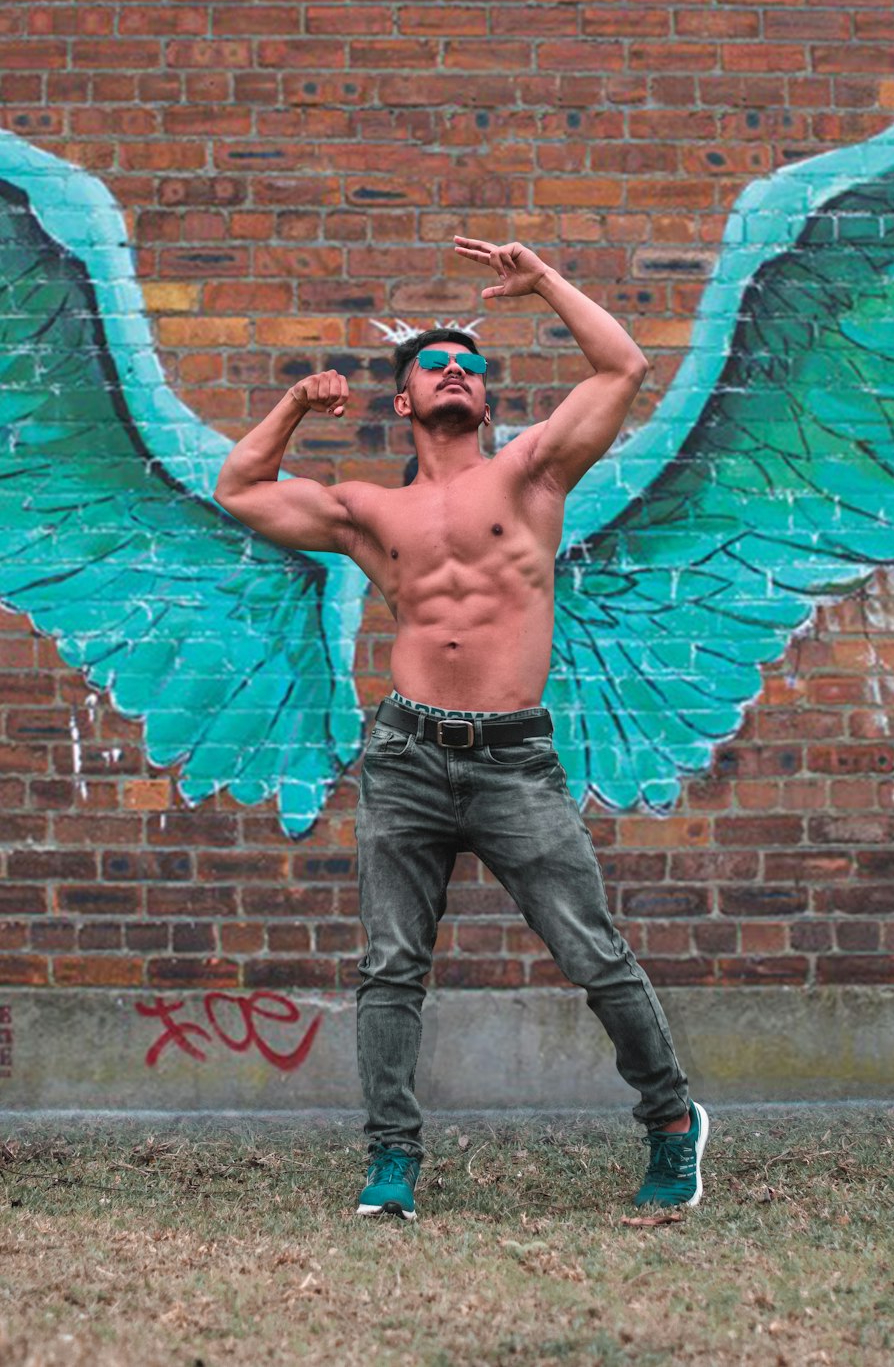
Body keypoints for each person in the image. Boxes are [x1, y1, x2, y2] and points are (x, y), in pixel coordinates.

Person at [213, 236, 709, 1222]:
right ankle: (391, 1160)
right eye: (435, 365)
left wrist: (546, 283)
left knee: (592, 953)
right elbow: (239, 487)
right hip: (405, 755)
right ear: (403, 400)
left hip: (514, 760)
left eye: (470, 368)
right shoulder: (367, 510)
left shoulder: (531, 475)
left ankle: (670, 1121)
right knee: (391, 968)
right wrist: (296, 406)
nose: (454, 374)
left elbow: (624, 366)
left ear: (484, 399)